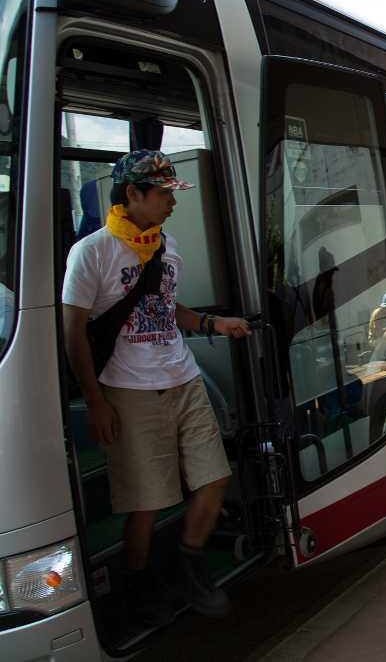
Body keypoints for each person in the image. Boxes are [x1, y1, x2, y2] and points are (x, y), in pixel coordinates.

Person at [61, 150, 252, 627]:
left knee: (214, 480)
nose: (172, 203)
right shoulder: (92, 253)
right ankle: (140, 583)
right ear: (133, 195)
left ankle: (190, 563)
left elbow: (168, 309)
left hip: (183, 378)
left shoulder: (167, 250)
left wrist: (211, 321)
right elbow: (74, 334)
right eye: (164, 194)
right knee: (145, 502)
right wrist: (97, 400)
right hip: (128, 390)